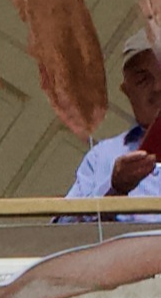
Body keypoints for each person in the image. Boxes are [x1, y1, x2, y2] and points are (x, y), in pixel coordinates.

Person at [65, 24, 161, 213]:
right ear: (127, 92)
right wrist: (115, 191)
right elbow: (65, 232)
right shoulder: (103, 156)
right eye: (143, 80)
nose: (158, 87)